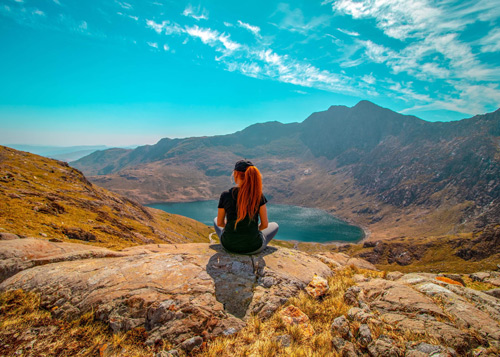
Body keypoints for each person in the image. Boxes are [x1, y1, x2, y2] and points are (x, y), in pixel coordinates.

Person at [214, 159, 279, 254]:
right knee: (275, 225)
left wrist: (233, 227)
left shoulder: (226, 195)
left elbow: (220, 223)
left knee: (216, 220)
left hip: (228, 245)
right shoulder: (258, 195)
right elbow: (264, 225)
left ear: (235, 174)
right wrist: (250, 229)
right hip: (253, 247)